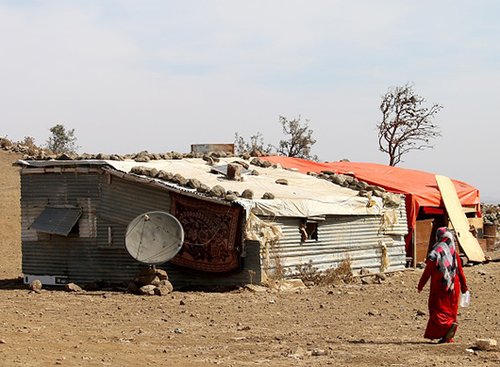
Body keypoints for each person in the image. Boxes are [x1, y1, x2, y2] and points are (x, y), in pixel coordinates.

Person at [417, 227, 468, 343]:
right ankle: (448, 336)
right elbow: (460, 272)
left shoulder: (435, 253)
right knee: (450, 311)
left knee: (438, 310)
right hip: (454, 288)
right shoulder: (454, 253)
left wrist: (421, 285)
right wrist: (464, 288)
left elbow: (428, 271)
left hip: (440, 287)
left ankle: (449, 326)